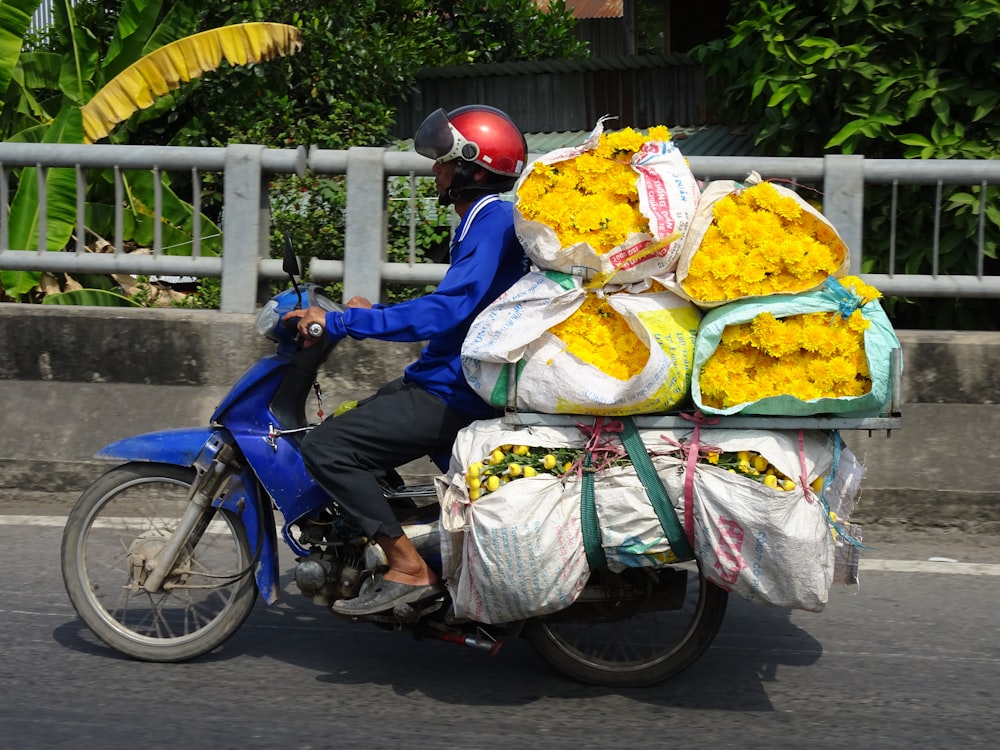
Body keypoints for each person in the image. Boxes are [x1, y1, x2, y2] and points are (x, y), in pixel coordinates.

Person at [282, 104, 529, 617]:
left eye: (444, 159)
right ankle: (396, 543)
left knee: (327, 448)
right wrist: (373, 314)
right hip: (445, 379)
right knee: (357, 418)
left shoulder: (493, 221)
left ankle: (407, 567)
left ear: (472, 168)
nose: (435, 168)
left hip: (456, 394)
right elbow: (463, 310)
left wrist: (348, 324)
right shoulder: (480, 223)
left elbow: (447, 309)